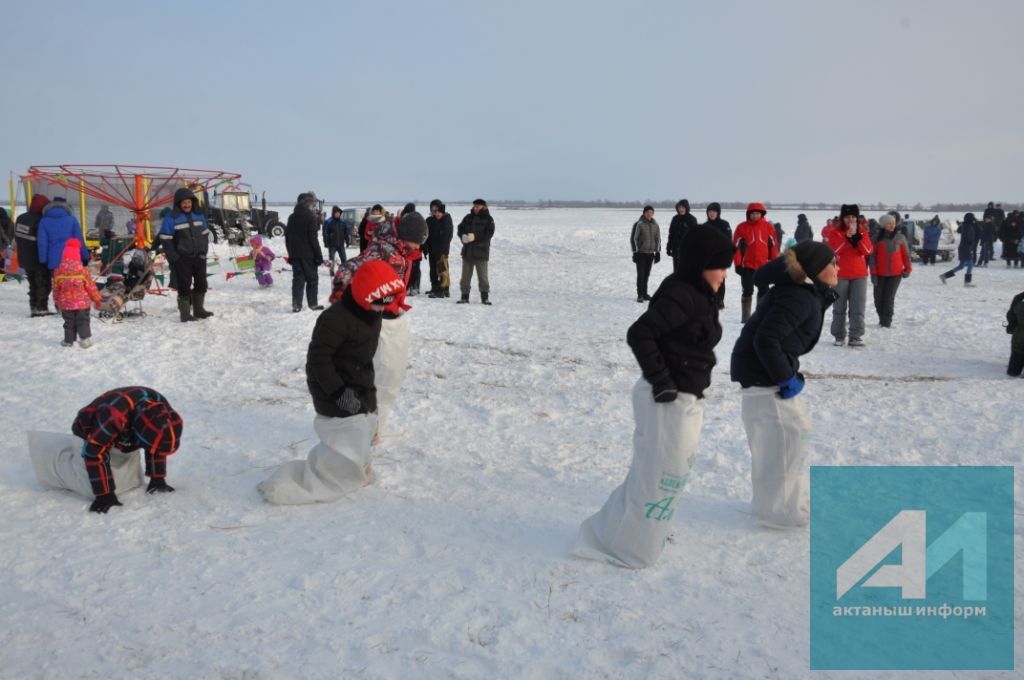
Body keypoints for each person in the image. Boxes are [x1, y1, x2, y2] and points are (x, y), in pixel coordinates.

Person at [573, 227, 735, 568]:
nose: (724, 273)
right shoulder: (682, 294)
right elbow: (640, 333)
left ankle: (648, 528)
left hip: (683, 398)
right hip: (665, 398)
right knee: (659, 473)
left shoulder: (699, 292)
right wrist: (662, 381)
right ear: (700, 264)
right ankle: (629, 544)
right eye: (719, 266)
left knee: (667, 471)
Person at [258, 261, 406, 505]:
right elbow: (318, 360)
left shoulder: (372, 312)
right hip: (332, 387)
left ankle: (353, 469)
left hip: (360, 383)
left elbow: (363, 355)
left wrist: (368, 391)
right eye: (379, 301)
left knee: (364, 427)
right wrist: (339, 393)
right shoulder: (334, 319)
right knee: (345, 435)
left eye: (387, 302)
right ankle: (332, 475)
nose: (383, 307)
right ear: (364, 294)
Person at [730, 240, 839, 528]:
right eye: (832, 263)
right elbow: (766, 340)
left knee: (782, 441)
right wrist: (784, 378)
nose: (837, 267)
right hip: (764, 377)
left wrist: (822, 298)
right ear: (815, 270)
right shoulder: (798, 297)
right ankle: (780, 511)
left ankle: (776, 505)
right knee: (787, 439)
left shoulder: (802, 294)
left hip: (760, 374)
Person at [329, 210, 426, 440]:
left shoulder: (400, 249)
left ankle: (371, 425)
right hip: (375, 318)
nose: (418, 247)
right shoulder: (386, 250)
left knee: (387, 373)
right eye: (417, 241)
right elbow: (349, 268)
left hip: (389, 316)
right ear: (406, 235)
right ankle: (363, 426)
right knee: (375, 374)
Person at [25, 386, 182, 513]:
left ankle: (100, 452)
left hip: (124, 434)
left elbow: (157, 443)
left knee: (132, 482)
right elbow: (95, 453)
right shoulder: (113, 415)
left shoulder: (162, 410)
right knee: (90, 490)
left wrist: (157, 478)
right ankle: (53, 453)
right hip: (89, 432)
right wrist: (104, 494)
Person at [159, 187, 213, 322]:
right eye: (184, 202)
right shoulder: (171, 218)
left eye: (189, 202)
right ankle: (185, 314)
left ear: (193, 202)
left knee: (201, 283)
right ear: (178, 203)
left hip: (199, 256)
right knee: (184, 285)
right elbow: (165, 239)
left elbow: (205, 234)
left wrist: (203, 251)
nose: (187, 205)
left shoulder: (198, 215)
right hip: (182, 258)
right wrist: (175, 258)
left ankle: (199, 310)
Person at [822, 204, 872, 346]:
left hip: (859, 275)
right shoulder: (835, 232)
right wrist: (846, 238)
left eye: (853, 216)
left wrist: (857, 238)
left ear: (856, 218)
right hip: (840, 274)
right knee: (839, 307)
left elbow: (867, 250)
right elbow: (833, 250)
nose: (850, 219)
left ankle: (855, 336)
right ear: (842, 218)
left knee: (858, 307)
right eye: (847, 217)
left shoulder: (862, 231)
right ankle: (839, 335)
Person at [732, 202, 778, 322]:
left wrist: (774, 264)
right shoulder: (741, 227)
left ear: (761, 214)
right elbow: (736, 248)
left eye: (757, 213)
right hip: (747, 266)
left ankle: (759, 316)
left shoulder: (768, 227)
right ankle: (745, 318)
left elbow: (773, 247)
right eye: (752, 214)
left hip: (764, 265)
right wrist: (737, 264)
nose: (755, 216)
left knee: (763, 290)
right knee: (747, 291)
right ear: (748, 214)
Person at [52, 238, 102, 347]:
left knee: (69, 322)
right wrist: (96, 299)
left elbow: (56, 288)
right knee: (83, 320)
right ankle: (85, 340)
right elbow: (91, 287)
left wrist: (56, 301)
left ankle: (68, 341)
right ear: (77, 257)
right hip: (82, 304)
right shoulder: (83, 271)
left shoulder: (58, 272)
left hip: (66, 304)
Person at [285, 191, 325, 312]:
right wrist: (319, 255)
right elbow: (313, 239)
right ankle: (312, 304)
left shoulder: (291, 217)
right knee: (312, 279)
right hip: (309, 256)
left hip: (296, 254)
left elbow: (287, 238)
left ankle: (297, 305)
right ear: (308, 204)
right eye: (312, 203)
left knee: (298, 279)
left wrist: (291, 254)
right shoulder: (310, 217)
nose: (313, 206)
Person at [870, 214, 912, 328]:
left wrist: (908, 268)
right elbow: (872, 257)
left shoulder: (900, 238)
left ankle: (886, 322)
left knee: (888, 298)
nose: (892, 225)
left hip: (895, 274)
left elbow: (906, 255)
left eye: (893, 223)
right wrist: (873, 272)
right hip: (879, 274)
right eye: (889, 223)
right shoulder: (876, 238)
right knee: (878, 298)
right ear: (883, 225)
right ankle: (881, 318)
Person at [14, 194, 53, 316]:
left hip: (24, 258)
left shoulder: (20, 218)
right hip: (37, 258)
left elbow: (16, 237)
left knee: (33, 284)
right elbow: (43, 240)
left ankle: (34, 307)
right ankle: (41, 309)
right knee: (43, 284)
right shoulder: (41, 220)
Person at [457, 198, 496, 304]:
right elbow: (460, 228)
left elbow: (489, 234)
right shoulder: (468, 218)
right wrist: (463, 236)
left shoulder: (489, 219)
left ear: (484, 207)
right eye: (474, 206)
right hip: (467, 252)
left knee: (483, 277)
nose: (475, 208)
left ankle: (485, 297)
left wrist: (475, 236)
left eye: (477, 206)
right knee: (465, 277)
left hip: (481, 253)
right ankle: (464, 297)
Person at [38, 196, 89, 276]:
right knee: (72, 285)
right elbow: (79, 240)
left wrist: (43, 260)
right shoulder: (72, 220)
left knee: (58, 285)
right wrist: (85, 257)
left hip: (53, 261)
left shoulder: (44, 221)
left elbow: (42, 243)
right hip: (72, 261)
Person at [702, 202, 732, 310]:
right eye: (709, 212)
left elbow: (728, 241)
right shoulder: (705, 226)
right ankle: (709, 299)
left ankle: (719, 300)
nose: (711, 214)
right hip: (707, 258)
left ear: (718, 212)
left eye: (714, 211)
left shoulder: (724, 225)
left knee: (720, 280)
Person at [629, 205, 661, 303]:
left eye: (651, 212)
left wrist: (658, 252)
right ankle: (640, 295)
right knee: (641, 275)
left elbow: (658, 239)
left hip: (650, 254)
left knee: (647, 274)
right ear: (644, 213)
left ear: (653, 213)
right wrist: (635, 252)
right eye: (647, 212)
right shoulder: (639, 224)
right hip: (641, 254)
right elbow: (633, 238)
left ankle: (645, 293)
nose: (649, 214)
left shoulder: (655, 225)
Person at [939, 213, 979, 286]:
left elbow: (960, 231)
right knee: (970, 265)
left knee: (961, 266)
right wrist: (971, 242)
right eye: (973, 219)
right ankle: (967, 282)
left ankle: (944, 276)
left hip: (964, 247)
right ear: (970, 219)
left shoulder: (965, 225)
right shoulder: (968, 226)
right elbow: (967, 236)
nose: (974, 220)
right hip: (965, 248)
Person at [425, 199, 454, 298]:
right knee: (433, 270)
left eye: (437, 209)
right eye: (433, 210)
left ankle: (443, 290)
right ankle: (435, 288)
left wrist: (442, 251)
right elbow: (426, 236)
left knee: (442, 270)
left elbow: (447, 237)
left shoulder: (446, 220)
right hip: (432, 250)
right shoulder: (430, 220)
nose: (435, 212)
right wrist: (425, 247)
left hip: (441, 251)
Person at [666, 199, 697, 274]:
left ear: (686, 208)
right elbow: (671, 234)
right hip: (676, 250)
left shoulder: (692, 219)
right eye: (679, 207)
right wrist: (669, 247)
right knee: (676, 272)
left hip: (687, 252)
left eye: (683, 207)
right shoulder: (675, 219)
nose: (681, 209)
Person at [400, 203, 422, 295]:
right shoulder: (413, 219)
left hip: (412, 249)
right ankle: (412, 287)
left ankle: (411, 287)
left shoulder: (406, 219)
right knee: (412, 270)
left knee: (411, 270)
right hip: (411, 249)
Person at [322, 206, 350, 273]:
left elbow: (346, 232)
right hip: (332, 244)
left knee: (344, 258)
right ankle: (331, 271)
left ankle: (344, 270)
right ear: (333, 213)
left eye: (339, 213)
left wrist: (347, 240)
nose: (337, 214)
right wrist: (326, 242)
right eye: (336, 213)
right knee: (331, 259)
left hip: (340, 244)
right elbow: (325, 233)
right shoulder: (328, 221)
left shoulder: (343, 222)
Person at [1005, 290, 1024, 377]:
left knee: (1013, 371)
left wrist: (1011, 327)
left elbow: (1011, 316)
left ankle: (1014, 371)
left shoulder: (1019, 298)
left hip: (1019, 336)